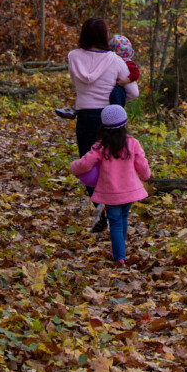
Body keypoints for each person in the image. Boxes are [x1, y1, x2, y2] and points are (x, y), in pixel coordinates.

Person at [67, 17, 138, 231]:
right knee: (110, 161)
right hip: (109, 119)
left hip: (85, 117)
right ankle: (113, 205)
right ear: (104, 35)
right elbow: (133, 92)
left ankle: (99, 205)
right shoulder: (115, 60)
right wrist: (118, 93)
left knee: (88, 164)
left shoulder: (73, 57)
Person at [70, 104, 151, 265]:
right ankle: (121, 249)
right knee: (123, 218)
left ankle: (120, 256)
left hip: (111, 192)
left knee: (114, 221)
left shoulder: (100, 146)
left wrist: (74, 167)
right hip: (130, 191)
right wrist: (146, 175)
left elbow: (86, 163)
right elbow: (142, 164)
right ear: (125, 124)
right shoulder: (132, 143)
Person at [108, 34, 141, 107]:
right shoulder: (110, 62)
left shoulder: (128, 63)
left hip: (122, 88)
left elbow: (136, 73)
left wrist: (126, 80)